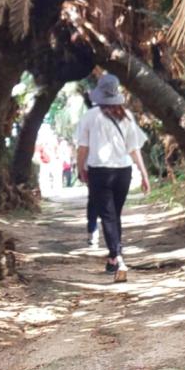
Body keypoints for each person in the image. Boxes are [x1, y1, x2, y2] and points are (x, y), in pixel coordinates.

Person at [74, 73, 150, 281]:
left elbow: (82, 148)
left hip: (100, 172)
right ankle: (113, 257)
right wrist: (144, 174)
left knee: (108, 216)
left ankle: (117, 258)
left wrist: (81, 169)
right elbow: (134, 149)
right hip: (123, 172)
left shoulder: (90, 116)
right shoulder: (127, 116)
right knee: (114, 215)